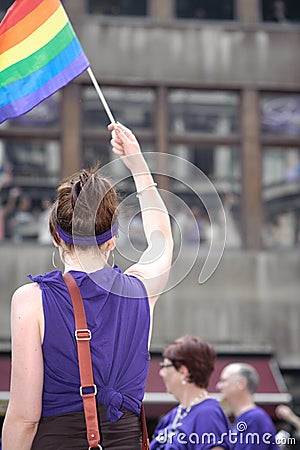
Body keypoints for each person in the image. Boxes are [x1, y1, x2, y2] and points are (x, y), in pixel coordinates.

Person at [1, 122, 174, 450]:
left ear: (55, 236)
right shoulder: (141, 290)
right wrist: (138, 165)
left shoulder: (30, 301)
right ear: (113, 239)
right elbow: (162, 240)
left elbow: (25, 418)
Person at [150, 335, 232, 449]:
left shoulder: (208, 415)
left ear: (183, 372)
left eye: (165, 366)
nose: (161, 373)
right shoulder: (172, 416)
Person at [217, 363, 279, 449]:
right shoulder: (248, 419)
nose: (218, 386)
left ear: (242, 383)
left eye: (224, 381)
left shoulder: (254, 419)